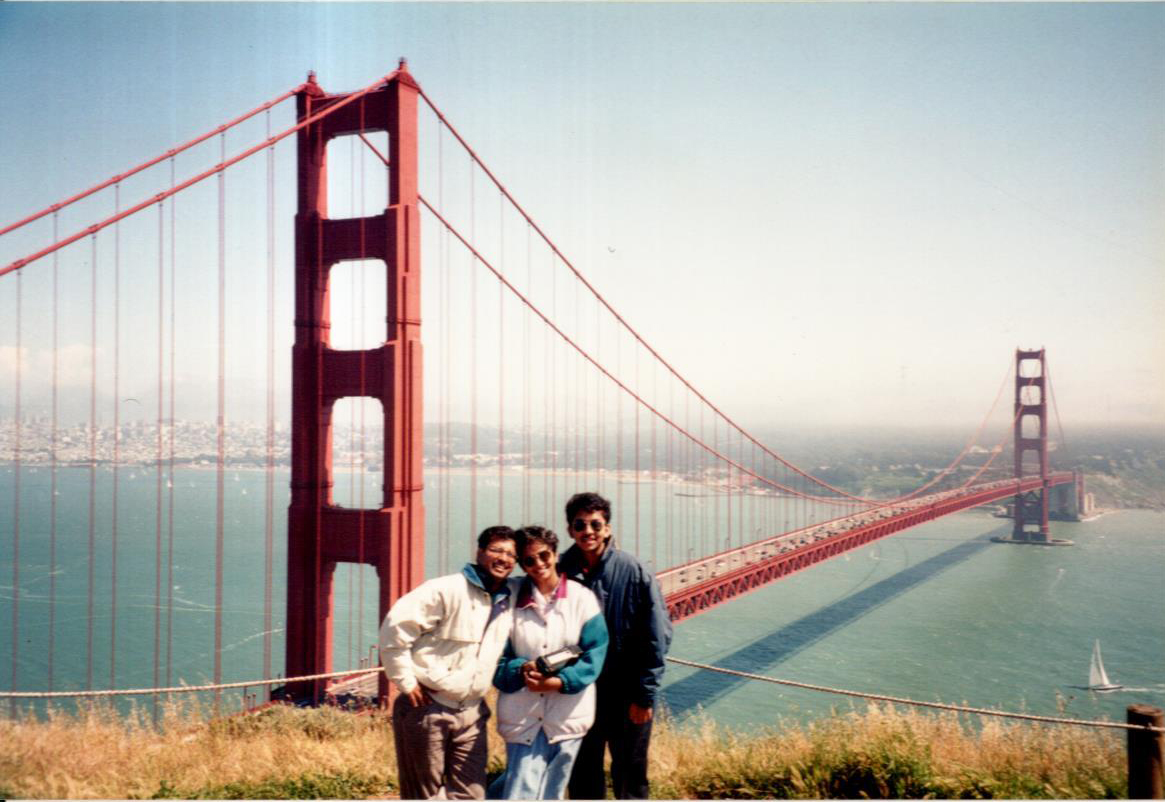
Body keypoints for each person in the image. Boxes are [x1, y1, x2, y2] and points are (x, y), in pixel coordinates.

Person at [378, 526, 520, 800]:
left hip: (472, 712)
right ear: (479, 552)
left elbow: (546, 577)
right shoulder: (445, 589)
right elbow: (395, 628)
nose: (503, 559)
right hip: (428, 707)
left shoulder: (511, 595)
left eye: (511, 554)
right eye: (496, 550)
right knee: (423, 794)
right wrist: (405, 681)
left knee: (471, 794)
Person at [559, 492, 672, 800]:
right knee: (582, 775)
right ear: (570, 530)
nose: (588, 531)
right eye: (580, 525)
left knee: (630, 775)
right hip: (580, 692)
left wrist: (645, 695)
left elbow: (657, 636)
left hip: (627, 692)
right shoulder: (560, 572)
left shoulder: (634, 570)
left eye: (596, 524)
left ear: (607, 528)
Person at [493, 526, 609, 800]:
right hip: (523, 718)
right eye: (529, 560)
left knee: (552, 794)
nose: (538, 564)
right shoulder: (509, 598)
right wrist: (521, 669)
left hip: (568, 717)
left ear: (556, 554)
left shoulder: (582, 599)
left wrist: (558, 682)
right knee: (519, 793)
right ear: (522, 565)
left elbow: (595, 654)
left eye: (544, 555)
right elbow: (495, 660)